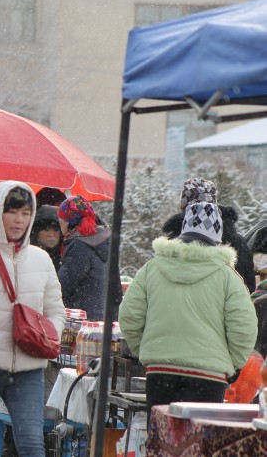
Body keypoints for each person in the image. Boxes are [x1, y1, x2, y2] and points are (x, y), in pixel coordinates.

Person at [119, 202, 257, 420]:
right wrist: (232, 364)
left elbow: (129, 316)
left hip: (160, 372)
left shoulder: (151, 269)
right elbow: (244, 327)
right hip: (209, 377)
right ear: (218, 235)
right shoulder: (229, 277)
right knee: (200, 438)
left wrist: (146, 350)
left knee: (162, 437)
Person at [0, 182, 66, 457]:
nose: (19, 220)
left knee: (32, 445)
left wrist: (47, 335)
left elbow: (56, 310)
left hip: (28, 367)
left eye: (26, 213)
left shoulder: (41, 259)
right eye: (12, 211)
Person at [161, 177, 255, 292]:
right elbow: (249, 286)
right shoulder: (237, 241)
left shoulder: (171, 242)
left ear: (183, 205)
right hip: (225, 300)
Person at [57, 195, 116, 321]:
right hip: (99, 317)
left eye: (61, 219)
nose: (60, 223)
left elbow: (61, 287)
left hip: (80, 320)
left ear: (69, 221)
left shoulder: (80, 246)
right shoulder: (102, 241)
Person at [30, 204, 63, 271]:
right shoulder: (27, 256)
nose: (51, 234)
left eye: (56, 230)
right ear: (36, 232)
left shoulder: (67, 257)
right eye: (46, 230)